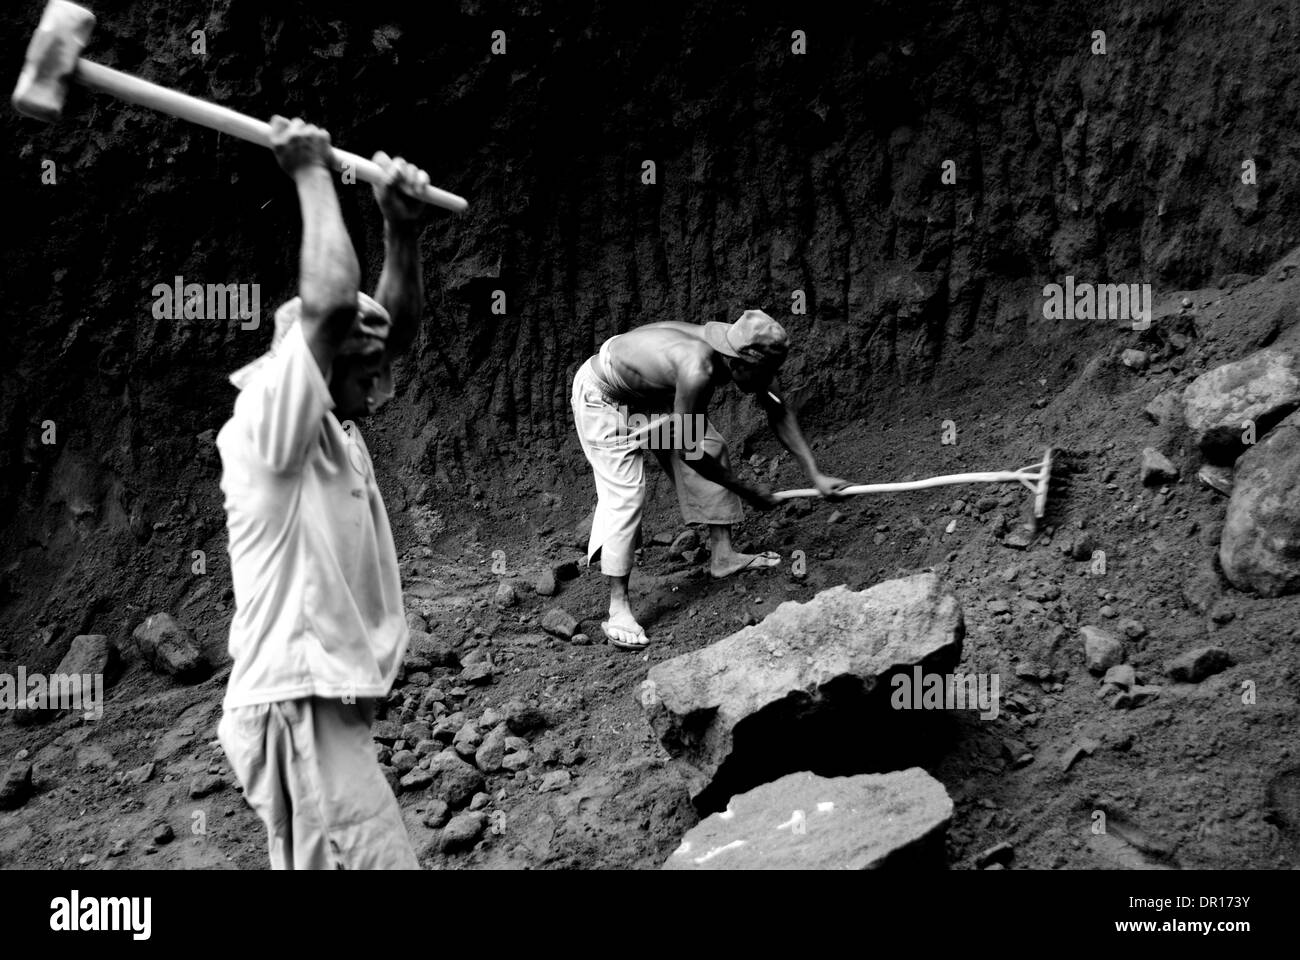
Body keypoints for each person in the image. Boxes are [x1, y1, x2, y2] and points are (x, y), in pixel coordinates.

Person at [215, 116, 430, 869]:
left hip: (320, 704)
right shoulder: (272, 424)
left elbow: (382, 327)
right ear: (317, 364)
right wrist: (310, 173)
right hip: (294, 704)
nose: (387, 380)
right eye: (366, 369)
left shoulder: (332, 421)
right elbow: (333, 306)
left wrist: (399, 227)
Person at [571, 309, 850, 650]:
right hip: (605, 398)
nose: (770, 380)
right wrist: (745, 489)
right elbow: (688, 451)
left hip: (649, 395)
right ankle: (619, 609)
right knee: (627, 493)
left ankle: (723, 556)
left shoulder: (746, 354)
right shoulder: (697, 369)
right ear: (737, 364)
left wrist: (815, 474)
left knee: (711, 446)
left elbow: (777, 409)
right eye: (764, 374)